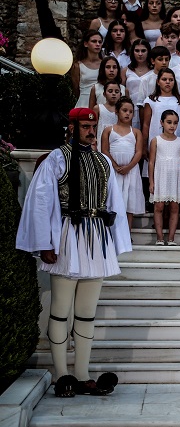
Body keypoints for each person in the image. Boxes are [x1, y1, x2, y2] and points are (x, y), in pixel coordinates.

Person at [16, 107, 131, 397]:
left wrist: (116, 244)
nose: (91, 131)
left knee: (86, 313)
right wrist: (45, 243)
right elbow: (41, 202)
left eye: (93, 126)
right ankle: (61, 374)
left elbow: (114, 203)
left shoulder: (103, 161)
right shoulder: (57, 158)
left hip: (96, 238)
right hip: (67, 235)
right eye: (84, 127)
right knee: (60, 311)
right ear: (72, 127)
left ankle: (82, 374)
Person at [100, 97, 144, 229]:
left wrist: (128, 167)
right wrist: (115, 166)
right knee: (114, 199)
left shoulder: (136, 132)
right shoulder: (109, 130)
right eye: (124, 110)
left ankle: (127, 231)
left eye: (130, 111)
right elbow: (105, 150)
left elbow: (138, 152)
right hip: (114, 171)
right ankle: (112, 230)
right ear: (117, 112)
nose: (127, 114)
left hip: (131, 171)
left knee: (129, 201)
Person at [147, 110, 180, 246]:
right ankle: (160, 237)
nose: (172, 126)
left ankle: (172, 238)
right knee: (159, 206)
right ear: (162, 122)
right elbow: (151, 162)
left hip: (175, 176)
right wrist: (151, 181)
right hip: (160, 175)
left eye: (175, 123)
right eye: (169, 122)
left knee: (174, 207)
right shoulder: (156, 140)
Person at [71, 30, 103, 108]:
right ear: (86, 44)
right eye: (94, 41)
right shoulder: (78, 65)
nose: (97, 44)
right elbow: (76, 88)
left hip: (101, 101)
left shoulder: (105, 64)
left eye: (100, 42)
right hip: (84, 101)